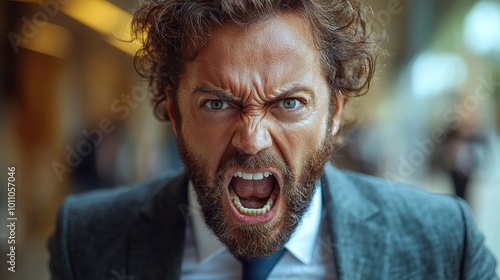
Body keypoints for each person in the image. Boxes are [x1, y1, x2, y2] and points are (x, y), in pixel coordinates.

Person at [49, 0, 498, 279]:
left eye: (290, 103)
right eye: (217, 103)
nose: (251, 139)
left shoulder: (444, 245)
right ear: (173, 109)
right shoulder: (87, 240)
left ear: (335, 112)